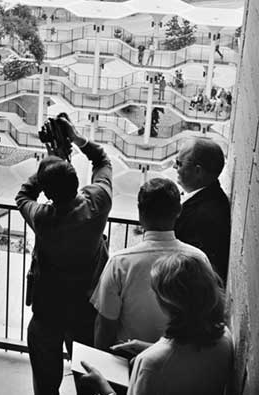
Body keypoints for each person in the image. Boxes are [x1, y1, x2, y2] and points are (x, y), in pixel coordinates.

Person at [15, 116, 112, 395]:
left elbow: (23, 196)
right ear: (76, 180)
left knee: (45, 383)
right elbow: (103, 161)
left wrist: (50, 161)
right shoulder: (97, 202)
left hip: (48, 309)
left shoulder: (44, 217)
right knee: (88, 378)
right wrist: (77, 139)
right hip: (86, 306)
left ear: (48, 191)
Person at [80, 252, 233, 395]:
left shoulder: (150, 364)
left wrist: (103, 386)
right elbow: (188, 360)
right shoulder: (224, 338)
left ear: (167, 303)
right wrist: (149, 347)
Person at [91, 178, 209, 351]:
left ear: (140, 213)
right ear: (179, 211)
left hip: (128, 363)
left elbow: (105, 326)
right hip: (181, 362)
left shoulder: (120, 263)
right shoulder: (199, 259)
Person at [173, 137, 230, 282]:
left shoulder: (206, 217)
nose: (175, 167)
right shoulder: (208, 198)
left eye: (179, 163)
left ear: (198, 171)